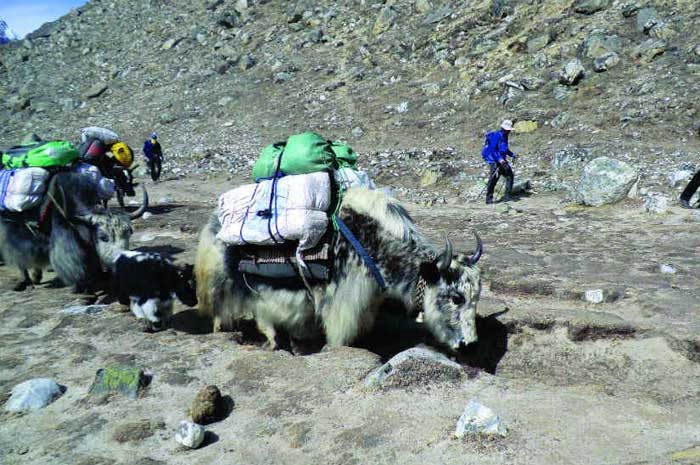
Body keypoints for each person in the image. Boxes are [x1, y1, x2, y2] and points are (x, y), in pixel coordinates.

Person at [481, 119, 517, 204]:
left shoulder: (505, 136)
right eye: (508, 130)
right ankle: (489, 199)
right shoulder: (497, 135)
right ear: (504, 129)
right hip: (494, 160)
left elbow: (504, 149)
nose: (509, 132)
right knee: (493, 179)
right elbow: (493, 149)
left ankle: (507, 197)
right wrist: (499, 159)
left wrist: (512, 155)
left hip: (502, 160)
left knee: (510, 175)